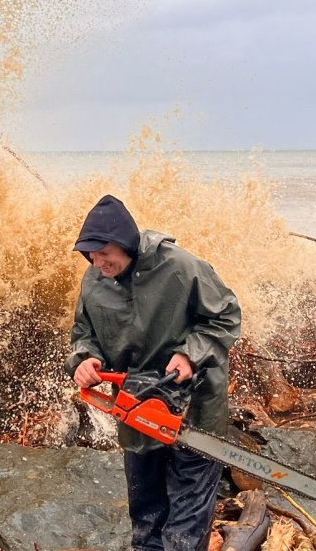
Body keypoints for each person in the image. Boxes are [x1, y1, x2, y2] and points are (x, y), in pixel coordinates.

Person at [66, 194, 240, 551]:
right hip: (137, 406)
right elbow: (84, 334)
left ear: (124, 242)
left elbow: (226, 316)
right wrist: (85, 359)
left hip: (195, 405)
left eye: (102, 253)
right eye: (90, 255)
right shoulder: (95, 279)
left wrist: (190, 355)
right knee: (145, 509)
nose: (97, 262)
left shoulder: (180, 266)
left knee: (187, 516)